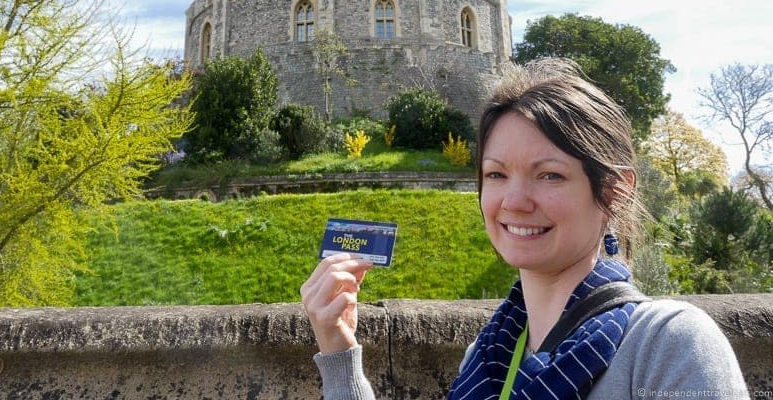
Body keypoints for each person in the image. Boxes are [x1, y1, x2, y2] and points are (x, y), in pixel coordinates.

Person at [300, 58, 749, 399]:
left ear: (615, 190)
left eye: (549, 174)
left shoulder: (670, 344)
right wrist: (339, 353)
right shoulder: (489, 354)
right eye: (496, 175)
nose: (514, 201)